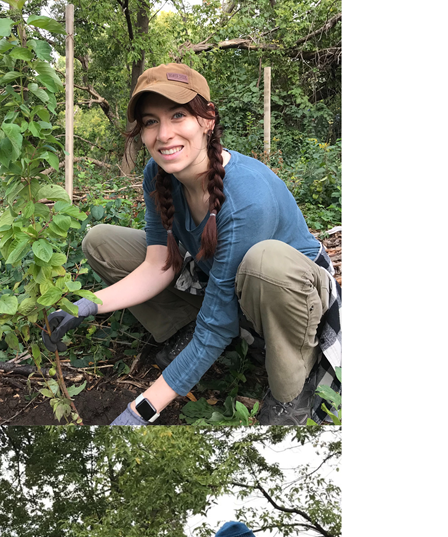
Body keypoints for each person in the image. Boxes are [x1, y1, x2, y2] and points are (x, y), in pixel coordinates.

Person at [42, 63, 340, 426]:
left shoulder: (247, 197)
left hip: (290, 296)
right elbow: (157, 265)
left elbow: (217, 323)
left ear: (207, 119)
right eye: (151, 121)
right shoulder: (158, 173)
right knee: (101, 240)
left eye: (179, 115)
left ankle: (294, 389)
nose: (164, 134)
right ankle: (186, 330)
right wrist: (87, 305)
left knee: (266, 263)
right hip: (221, 280)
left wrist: (139, 412)